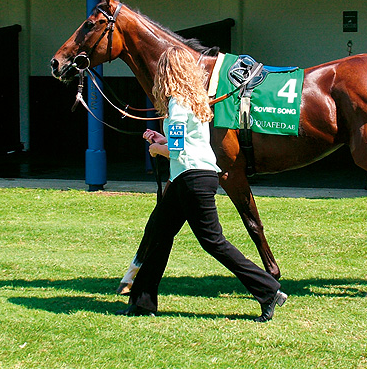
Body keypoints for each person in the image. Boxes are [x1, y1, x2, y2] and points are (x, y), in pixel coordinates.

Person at [116, 46, 287, 322]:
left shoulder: (176, 102)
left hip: (191, 178)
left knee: (213, 241)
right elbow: (185, 141)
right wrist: (160, 141)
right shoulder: (194, 100)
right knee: (160, 235)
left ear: (167, 73)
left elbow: (177, 148)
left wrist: (157, 149)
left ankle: (268, 290)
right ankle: (142, 303)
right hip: (193, 175)